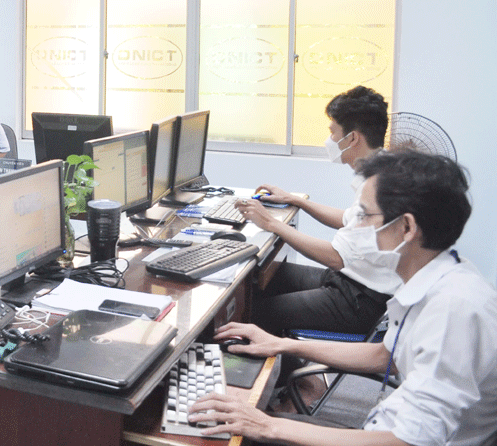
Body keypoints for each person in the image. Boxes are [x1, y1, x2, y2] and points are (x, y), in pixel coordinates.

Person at [190, 151, 497, 446]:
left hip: (393, 440)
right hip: (382, 430)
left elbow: (406, 441)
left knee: (230, 434)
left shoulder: (454, 310)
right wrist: (283, 343)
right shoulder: (438, 277)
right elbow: (383, 355)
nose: (353, 226)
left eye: (363, 216)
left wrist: (267, 426)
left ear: (406, 228)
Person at [236, 85, 393, 336]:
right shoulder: (380, 170)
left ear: (351, 138)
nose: (329, 140)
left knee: (252, 312)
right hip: (349, 281)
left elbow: (335, 257)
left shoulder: (378, 186)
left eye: (333, 133)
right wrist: (296, 201)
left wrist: (271, 223)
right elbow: (346, 219)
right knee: (261, 278)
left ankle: (296, 374)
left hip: (358, 301)